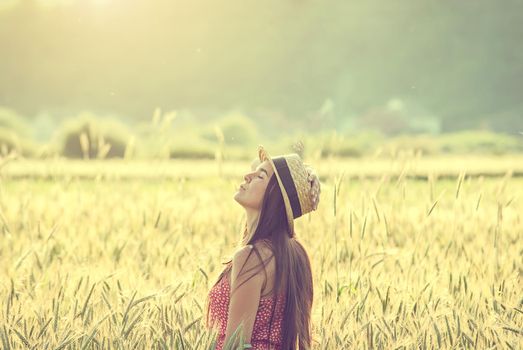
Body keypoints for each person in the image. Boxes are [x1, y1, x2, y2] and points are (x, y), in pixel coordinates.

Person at [205, 144, 321, 350]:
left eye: (260, 176)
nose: (247, 175)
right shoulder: (296, 253)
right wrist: (302, 177)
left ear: (275, 196)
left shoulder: (252, 258)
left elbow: (235, 345)